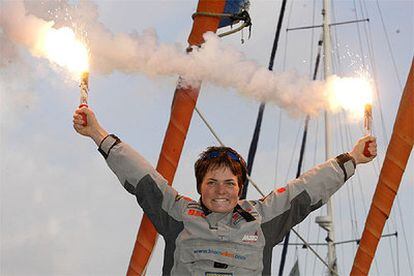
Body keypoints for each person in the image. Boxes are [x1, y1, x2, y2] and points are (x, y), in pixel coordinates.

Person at [73, 107, 377, 276]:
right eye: (212, 182)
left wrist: (352, 159)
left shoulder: (262, 218)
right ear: (200, 187)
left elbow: (305, 190)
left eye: (229, 183)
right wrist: (97, 134)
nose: (221, 191)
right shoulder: (177, 215)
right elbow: (143, 179)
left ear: (240, 187)